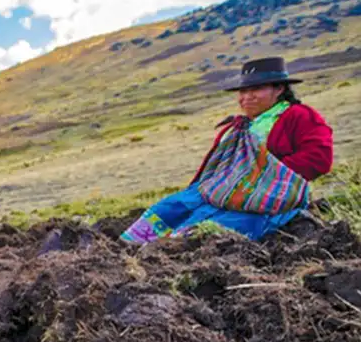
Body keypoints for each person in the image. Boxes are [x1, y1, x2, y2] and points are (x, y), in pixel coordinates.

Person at [120, 56, 334, 244]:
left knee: (213, 226)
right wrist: (230, 181)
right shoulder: (243, 125)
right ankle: (129, 250)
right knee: (170, 207)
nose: (247, 97)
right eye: (243, 91)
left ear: (279, 89)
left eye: (256, 89)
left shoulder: (299, 116)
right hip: (225, 190)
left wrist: (259, 177)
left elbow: (319, 159)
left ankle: (167, 255)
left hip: (268, 198)